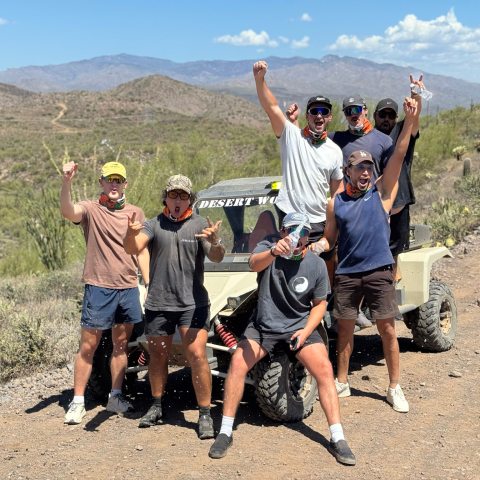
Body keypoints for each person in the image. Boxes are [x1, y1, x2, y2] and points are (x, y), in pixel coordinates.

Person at [208, 212, 356, 466]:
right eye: (292, 231)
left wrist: (307, 331)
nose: (297, 238)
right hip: (264, 327)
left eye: (304, 233)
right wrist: (275, 251)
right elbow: (254, 264)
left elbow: (320, 304)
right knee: (237, 365)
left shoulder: (315, 264)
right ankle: (225, 431)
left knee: (323, 369)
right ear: (283, 231)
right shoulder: (269, 248)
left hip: (298, 326)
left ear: (309, 237)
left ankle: (338, 437)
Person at [311, 97, 418, 413]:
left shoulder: (382, 193)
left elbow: (398, 153)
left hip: (378, 270)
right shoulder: (336, 203)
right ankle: (342, 380)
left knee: (387, 328)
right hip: (347, 272)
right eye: (360, 168)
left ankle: (394, 386)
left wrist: (411, 120)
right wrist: (314, 247)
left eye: (369, 167)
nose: (366, 173)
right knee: (344, 329)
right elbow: (329, 240)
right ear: (348, 171)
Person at [123, 174, 225, 439]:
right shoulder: (153, 224)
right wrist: (129, 232)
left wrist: (215, 241)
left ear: (190, 199)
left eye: (183, 196)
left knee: (197, 355)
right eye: (173, 195)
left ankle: (204, 414)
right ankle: (156, 406)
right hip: (159, 302)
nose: (177, 200)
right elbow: (132, 247)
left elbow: (216, 257)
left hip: (193, 304)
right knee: (158, 356)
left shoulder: (200, 224)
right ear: (165, 197)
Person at [61, 160, 149, 425]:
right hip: (98, 286)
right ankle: (77, 401)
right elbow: (68, 211)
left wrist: (148, 280)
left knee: (121, 345)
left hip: (127, 286)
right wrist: (66, 182)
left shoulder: (135, 212)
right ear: (101, 182)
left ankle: (116, 395)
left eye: (118, 180)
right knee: (89, 345)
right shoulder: (91, 209)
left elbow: (140, 249)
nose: (114, 184)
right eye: (109, 179)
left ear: (125, 184)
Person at [253, 60, 344, 244]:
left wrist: (332, 229)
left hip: (318, 223)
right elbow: (271, 107)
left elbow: (337, 194)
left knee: (317, 270)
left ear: (329, 118)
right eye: (314, 111)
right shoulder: (291, 136)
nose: (319, 115)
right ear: (307, 116)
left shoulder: (334, 151)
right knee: (290, 269)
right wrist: (259, 80)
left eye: (324, 111)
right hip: (290, 219)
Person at [373, 75, 423, 276]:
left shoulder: (402, 131)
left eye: (391, 115)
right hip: (375, 206)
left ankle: (389, 291)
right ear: (375, 116)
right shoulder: (369, 137)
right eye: (382, 115)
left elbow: (414, 118)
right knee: (375, 251)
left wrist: (415, 94)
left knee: (394, 252)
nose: (386, 119)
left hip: (399, 205)